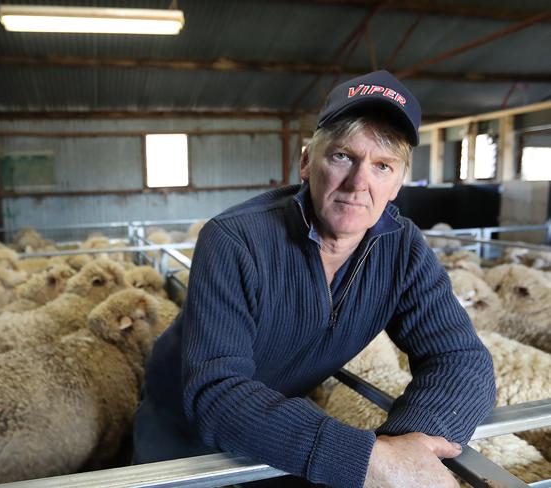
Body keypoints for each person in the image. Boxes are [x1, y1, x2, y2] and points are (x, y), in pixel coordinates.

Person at [134, 70, 496, 488]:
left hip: (276, 424)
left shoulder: (403, 249)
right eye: (343, 156)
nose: (359, 183)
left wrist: (405, 445)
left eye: (382, 165)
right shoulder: (235, 240)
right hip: (179, 427)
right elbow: (215, 390)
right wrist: (367, 460)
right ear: (307, 161)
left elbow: (462, 360)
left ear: (397, 183)